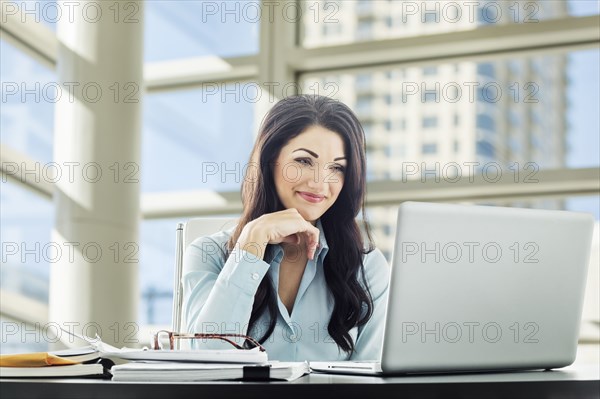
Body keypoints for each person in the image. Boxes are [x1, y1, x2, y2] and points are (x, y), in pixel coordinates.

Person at [182, 94, 389, 361]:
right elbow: (207, 360)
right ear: (270, 160)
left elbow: (371, 384)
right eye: (304, 161)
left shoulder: (367, 268)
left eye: (336, 167)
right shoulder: (207, 253)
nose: (319, 183)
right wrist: (252, 243)